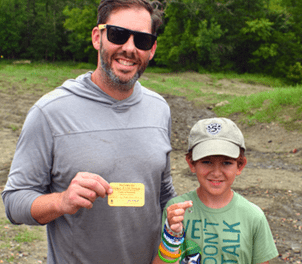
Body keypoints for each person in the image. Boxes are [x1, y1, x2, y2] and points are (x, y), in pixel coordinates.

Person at [1, 0, 176, 263]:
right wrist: (61, 201)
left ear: (151, 49)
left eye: (141, 40)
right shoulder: (50, 112)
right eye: (118, 34)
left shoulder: (159, 109)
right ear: (98, 37)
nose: (129, 48)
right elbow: (14, 202)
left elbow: (163, 193)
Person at [153, 118, 279, 264]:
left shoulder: (253, 217)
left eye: (226, 162)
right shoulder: (176, 212)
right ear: (191, 163)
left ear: (240, 165)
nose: (216, 172)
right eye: (207, 161)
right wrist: (172, 237)